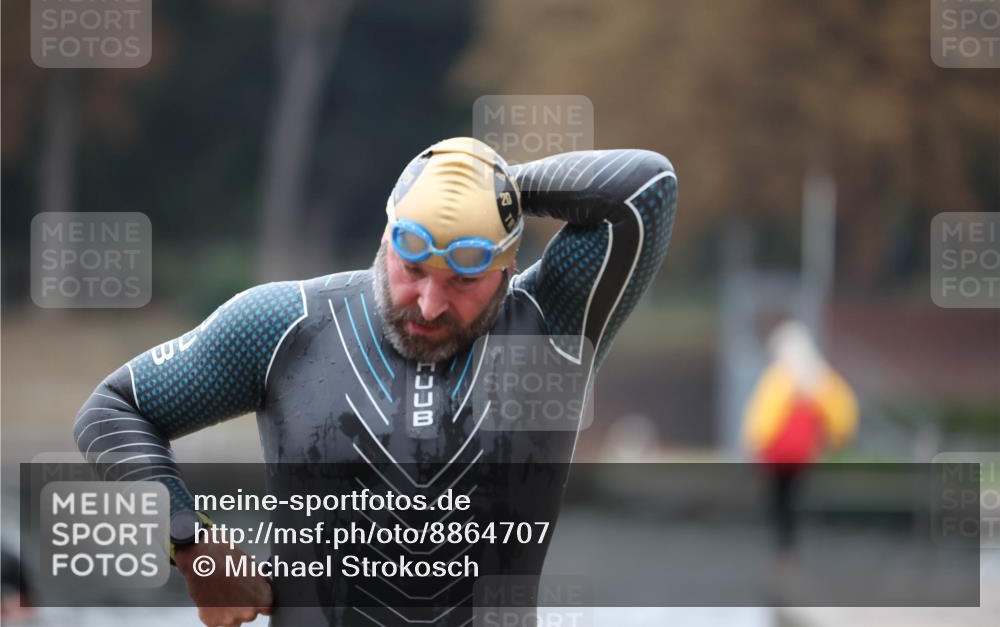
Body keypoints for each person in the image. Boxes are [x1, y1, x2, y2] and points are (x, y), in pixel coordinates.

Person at [74, 137, 678, 626]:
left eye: (462, 283)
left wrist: (489, 183)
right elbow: (112, 410)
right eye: (412, 269)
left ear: (507, 267)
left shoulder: (552, 325)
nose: (430, 304)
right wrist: (191, 544)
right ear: (386, 237)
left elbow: (645, 187)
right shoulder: (289, 327)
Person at [742, 319, 858, 559]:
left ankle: (783, 546)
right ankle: (789, 545)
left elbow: (764, 414)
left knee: (779, 498)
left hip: (778, 453)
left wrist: (754, 442)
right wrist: (839, 437)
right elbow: (842, 408)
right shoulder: (820, 378)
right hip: (803, 452)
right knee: (791, 496)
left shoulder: (779, 378)